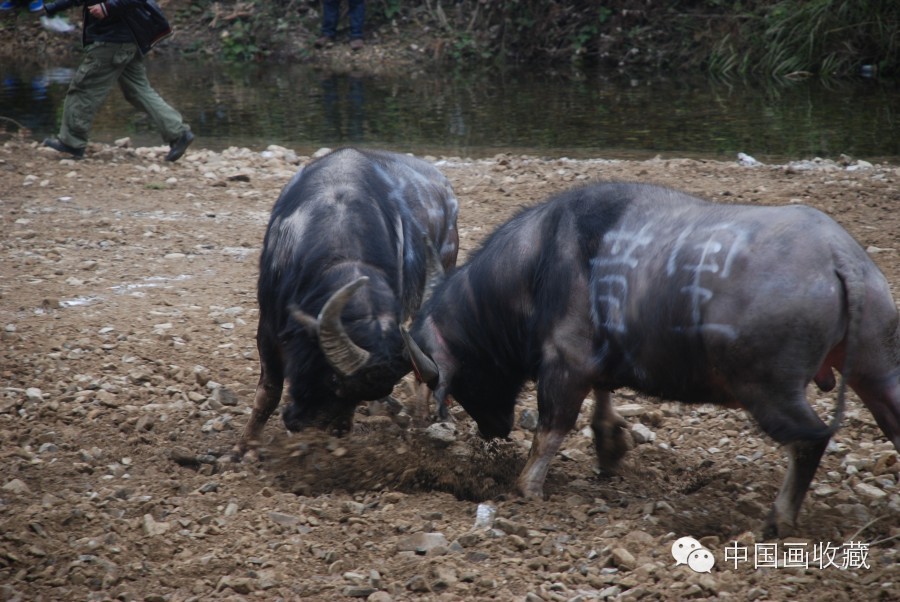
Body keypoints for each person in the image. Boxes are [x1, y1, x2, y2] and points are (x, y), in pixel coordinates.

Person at [40, 0, 193, 161]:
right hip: (125, 39)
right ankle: (179, 133)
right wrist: (51, 8)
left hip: (112, 41)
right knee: (138, 91)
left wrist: (107, 7)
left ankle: (71, 142)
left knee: (84, 89)